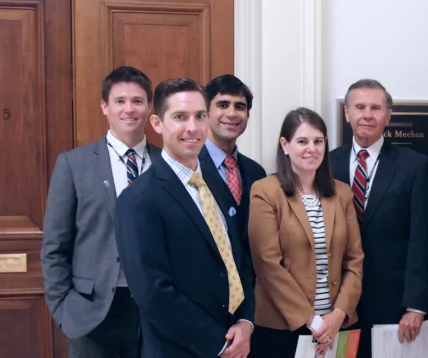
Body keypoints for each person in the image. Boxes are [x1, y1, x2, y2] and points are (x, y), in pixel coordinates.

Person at [115, 78, 255, 357]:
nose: (193, 127)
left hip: (235, 340)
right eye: (180, 117)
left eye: (200, 116)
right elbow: (153, 294)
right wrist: (218, 344)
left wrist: (245, 322)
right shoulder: (138, 200)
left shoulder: (214, 182)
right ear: (157, 123)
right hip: (182, 348)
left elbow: (236, 259)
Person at [41, 66, 158, 358]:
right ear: (104, 106)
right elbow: (55, 245)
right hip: (90, 310)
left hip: (155, 308)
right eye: (119, 101)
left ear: (149, 107)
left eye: (137, 101)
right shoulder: (73, 164)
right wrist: (62, 310)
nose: (128, 109)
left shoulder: (168, 163)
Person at [328, 79, 428, 357]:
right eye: (360, 107)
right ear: (347, 113)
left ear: (388, 115)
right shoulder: (325, 165)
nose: (367, 114)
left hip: (393, 302)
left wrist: (416, 305)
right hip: (335, 300)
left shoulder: (415, 167)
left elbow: (421, 239)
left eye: (375, 108)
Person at [247, 107, 364, 357]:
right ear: (285, 145)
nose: (312, 148)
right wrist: (312, 321)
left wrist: (337, 315)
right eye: (302, 141)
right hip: (282, 326)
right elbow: (267, 263)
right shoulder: (265, 191)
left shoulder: (341, 193)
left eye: (318, 141)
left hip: (336, 325)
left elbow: (354, 260)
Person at [199, 74, 267, 260]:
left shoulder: (256, 172)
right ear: (206, 112)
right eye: (223, 105)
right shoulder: (190, 168)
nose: (232, 113)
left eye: (240, 107)